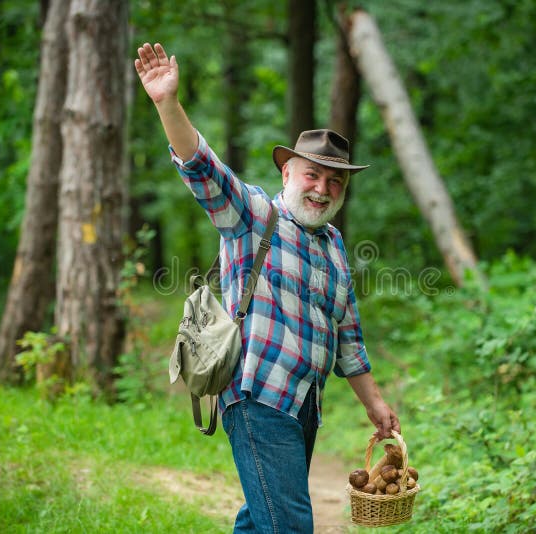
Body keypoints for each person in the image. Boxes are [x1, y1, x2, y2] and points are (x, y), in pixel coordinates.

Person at [135, 42, 400, 534]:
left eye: (334, 182)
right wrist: (167, 103)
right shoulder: (255, 216)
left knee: (262, 520)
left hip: (305, 405)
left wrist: (375, 403)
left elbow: (349, 338)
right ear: (288, 172)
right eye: (312, 175)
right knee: (290, 525)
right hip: (258, 394)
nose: (322, 188)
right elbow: (202, 169)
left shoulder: (335, 245)